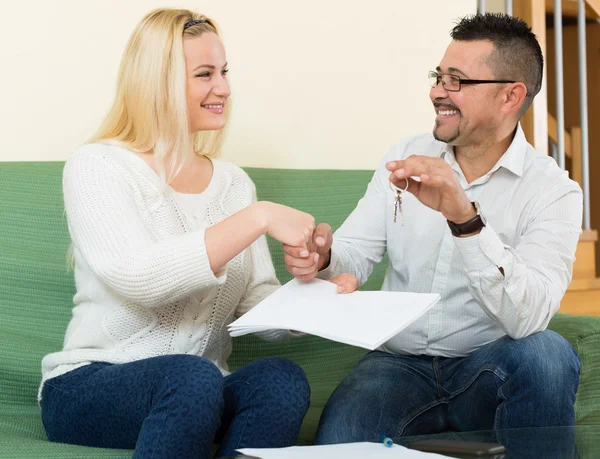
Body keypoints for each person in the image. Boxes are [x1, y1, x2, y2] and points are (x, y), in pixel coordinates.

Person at [38, 8, 354, 459]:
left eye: (224, 72)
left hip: (197, 389)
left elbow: (252, 301)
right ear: (157, 82)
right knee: (193, 377)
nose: (223, 88)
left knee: (281, 379)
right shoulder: (98, 166)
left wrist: (316, 294)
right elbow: (139, 277)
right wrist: (257, 218)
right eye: (204, 74)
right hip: (91, 385)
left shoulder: (234, 184)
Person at [283, 13, 583, 445]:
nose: (436, 91)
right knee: (343, 438)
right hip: (397, 366)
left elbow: (529, 316)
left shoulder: (553, 191)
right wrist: (325, 255)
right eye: (438, 76)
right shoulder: (405, 155)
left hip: (488, 364)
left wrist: (466, 221)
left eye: (456, 80)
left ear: (509, 97)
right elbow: (355, 253)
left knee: (548, 356)